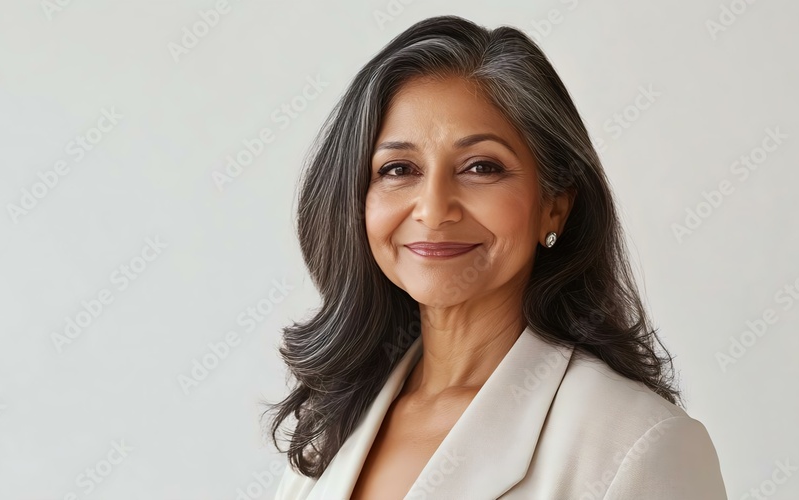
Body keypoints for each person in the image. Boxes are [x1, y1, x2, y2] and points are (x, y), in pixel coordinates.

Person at [262, 15, 726, 500]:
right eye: (399, 168)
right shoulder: (328, 429)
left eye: (481, 167)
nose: (435, 209)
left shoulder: (638, 445)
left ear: (554, 207)